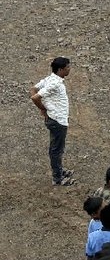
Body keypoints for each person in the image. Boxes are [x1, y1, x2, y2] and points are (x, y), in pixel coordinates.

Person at [31, 56, 73, 186]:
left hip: (54, 118)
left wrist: (44, 110)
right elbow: (35, 96)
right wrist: (42, 108)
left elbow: (33, 88)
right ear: (60, 69)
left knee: (56, 148)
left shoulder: (51, 79)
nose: (69, 69)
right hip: (58, 120)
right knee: (57, 150)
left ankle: (59, 171)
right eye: (67, 67)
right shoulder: (55, 83)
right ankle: (58, 178)